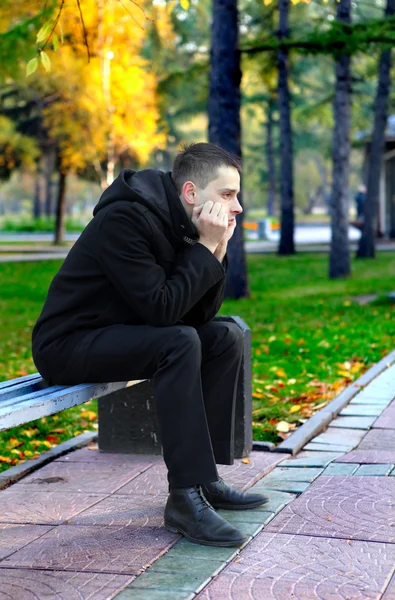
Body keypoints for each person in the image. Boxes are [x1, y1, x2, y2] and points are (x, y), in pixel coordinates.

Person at [31, 142, 267, 548]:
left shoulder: (180, 221)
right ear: (192, 193)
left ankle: (205, 478)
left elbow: (197, 316)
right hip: (69, 343)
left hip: (123, 332)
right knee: (177, 343)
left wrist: (217, 249)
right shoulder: (126, 219)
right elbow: (163, 312)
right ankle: (184, 498)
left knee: (223, 336)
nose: (238, 207)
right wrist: (206, 249)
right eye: (228, 195)